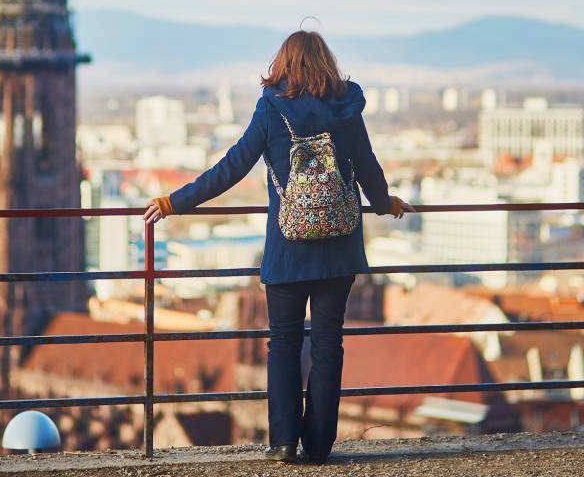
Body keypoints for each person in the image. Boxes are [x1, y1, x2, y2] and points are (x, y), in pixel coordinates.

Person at [144, 30, 414, 464]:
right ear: (326, 62)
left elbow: (231, 166)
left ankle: (284, 443)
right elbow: (367, 167)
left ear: (282, 64)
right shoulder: (347, 107)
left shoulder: (271, 108)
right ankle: (320, 445)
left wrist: (174, 202)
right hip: (340, 248)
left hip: (288, 250)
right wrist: (385, 205)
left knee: (284, 344)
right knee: (328, 345)